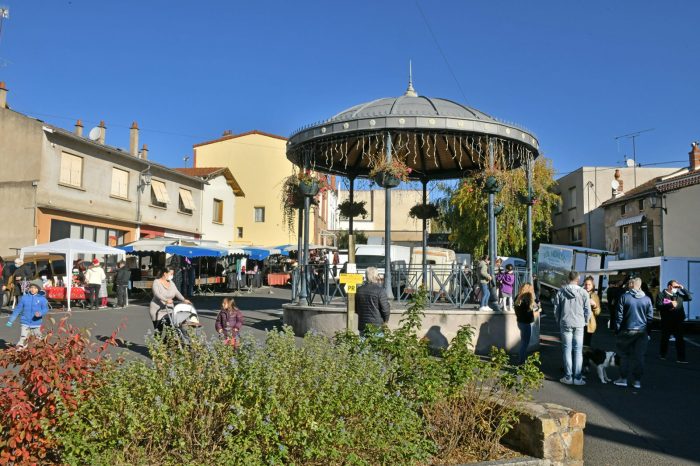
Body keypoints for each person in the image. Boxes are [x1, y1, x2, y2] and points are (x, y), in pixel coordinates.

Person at [614, 277, 654, 389]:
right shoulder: (647, 299)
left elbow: (619, 316)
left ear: (631, 285)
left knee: (624, 355)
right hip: (642, 331)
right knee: (639, 356)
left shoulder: (624, 297)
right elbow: (650, 318)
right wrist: (648, 332)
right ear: (640, 286)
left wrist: (617, 330)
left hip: (626, 330)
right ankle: (637, 381)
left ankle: (623, 378)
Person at [552, 271, 590, 385]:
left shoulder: (561, 291)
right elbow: (587, 309)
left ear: (568, 278)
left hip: (565, 323)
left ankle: (568, 376)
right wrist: (586, 321)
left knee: (567, 350)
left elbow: (556, 309)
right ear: (578, 279)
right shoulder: (583, 292)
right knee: (578, 351)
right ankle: (578, 378)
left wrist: (558, 320)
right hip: (579, 323)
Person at [5, 280, 49, 348]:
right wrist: (11, 320)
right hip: (25, 322)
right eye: (31, 287)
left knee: (38, 338)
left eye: (35, 288)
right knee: (23, 337)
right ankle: (20, 350)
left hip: (36, 323)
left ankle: (39, 350)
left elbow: (45, 309)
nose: (32, 289)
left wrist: (40, 313)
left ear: (38, 289)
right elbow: (17, 309)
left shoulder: (42, 299)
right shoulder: (24, 298)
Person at [657, 280, 692, 364]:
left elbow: (689, 297)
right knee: (665, 339)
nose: (676, 288)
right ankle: (662, 354)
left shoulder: (678, 295)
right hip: (667, 321)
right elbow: (659, 306)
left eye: (677, 287)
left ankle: (681, 358)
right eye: (675, 287)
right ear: (669, 286)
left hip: (678, 321)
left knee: (680, 340)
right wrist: (670, 304)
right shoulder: (661, 295)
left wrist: (682, 288)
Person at [355, 267, 390, 335]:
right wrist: (386, 321)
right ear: (376, 276)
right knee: (377, 345)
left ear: (366, 276)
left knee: (363, 345)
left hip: (363, 325)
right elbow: (385, 309)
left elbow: (356, 309)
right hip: (377, 326)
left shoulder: (359, 290)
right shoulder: (380, 291)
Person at [514, 283, 540, 364]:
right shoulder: (528, 299)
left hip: (520, 322)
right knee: (525, 343)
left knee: (523, 342)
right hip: (526, 323)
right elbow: (529, 314)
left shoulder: (518, 297)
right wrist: (538, 311)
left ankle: (521, 360)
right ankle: (521, 361)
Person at [582, 276, 601, 347]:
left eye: (589, 284)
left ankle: (585, 357)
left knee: (586, 345)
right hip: (579, 321)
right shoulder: (580, 294)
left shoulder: (595, 296)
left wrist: (594, 305)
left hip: (588, 324)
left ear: (593, 286)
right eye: (586, 284)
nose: (587, 286)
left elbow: (598, 312)